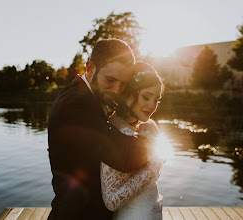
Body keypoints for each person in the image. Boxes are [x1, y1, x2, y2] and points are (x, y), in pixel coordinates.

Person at [47, 39, 152, 220]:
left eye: (123, 83)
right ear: (90, 68)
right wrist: (153, 139)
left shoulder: (91, 97)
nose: (116, 90)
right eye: (110, 80)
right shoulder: (74, 104)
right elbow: (125, 157)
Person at [100, 61, 165, 220]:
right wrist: (153, 166)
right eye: (146, 97)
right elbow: (111, 200)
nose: (152, 105)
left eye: (156, 99)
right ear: (129, 94)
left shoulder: (147, 127)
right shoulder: (116, 133)